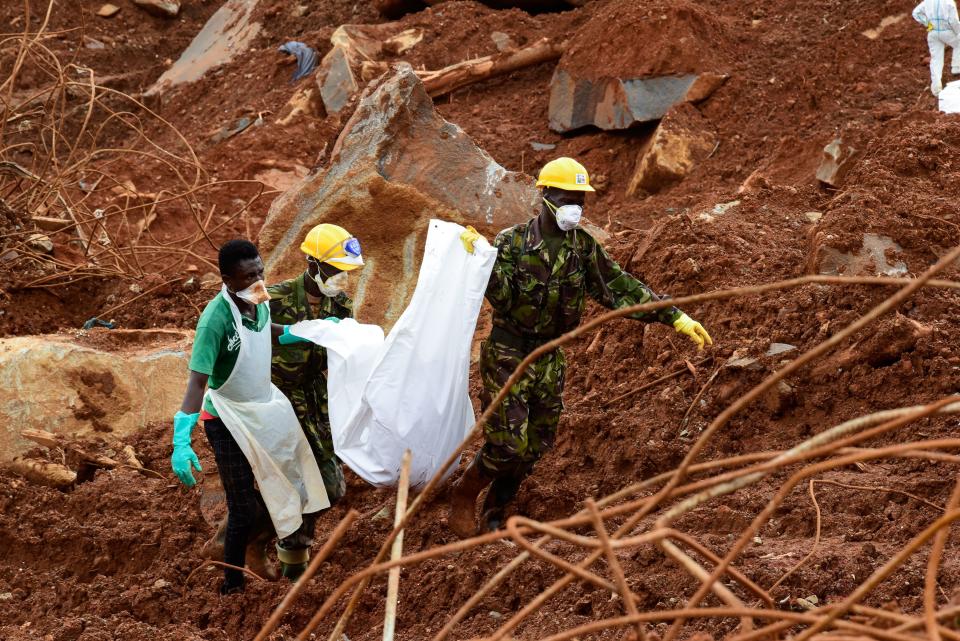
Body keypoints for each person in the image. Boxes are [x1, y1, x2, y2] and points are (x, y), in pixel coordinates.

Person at [449, 158, 712, 537]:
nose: (574, 206)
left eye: (580, 199)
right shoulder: (513, 242)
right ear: (545, 196)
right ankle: (467, 490)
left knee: (537, 444)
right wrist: (482, 263)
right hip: (509, 353)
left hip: (550, 356)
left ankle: (497, 509)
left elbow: (619, 288)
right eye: (566, 197)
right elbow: (502, 299)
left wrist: (673, 317)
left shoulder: (583, 249)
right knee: (508, 444)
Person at [171, 239, 330, 594]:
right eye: (248, 276)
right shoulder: (215, 321)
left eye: (260, 271)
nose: (258, 280)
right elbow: (198, 382)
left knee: (294, 481)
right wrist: (181, 439)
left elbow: (264, 333)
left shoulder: (258, 301)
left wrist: (298, 333)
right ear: (227, 279)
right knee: (242, 507)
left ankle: (256, 547)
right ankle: (232, 584)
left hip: (262, 407)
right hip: (226, 419)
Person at [266, 223, 362, 577]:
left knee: (329, 486)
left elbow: (339, 358)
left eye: (347, 273)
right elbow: (237, 336)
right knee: (283, 484)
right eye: (336, 270)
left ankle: (287, 549)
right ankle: (288, 565)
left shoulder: (340, 306)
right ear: (312, 265)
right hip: (273, 402)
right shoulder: (273, 301)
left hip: (313, 401)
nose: (342, 279)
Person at [913, 0, 960, 96]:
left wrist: (927, 24)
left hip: (933, 33)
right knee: (958, 43)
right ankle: (956, 67)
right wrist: (958, 32)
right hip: (946, 31)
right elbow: (953, 20)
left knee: (936, 59)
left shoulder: (928, 1)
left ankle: (936, 89)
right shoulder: (949, 2)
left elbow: (915, 13)